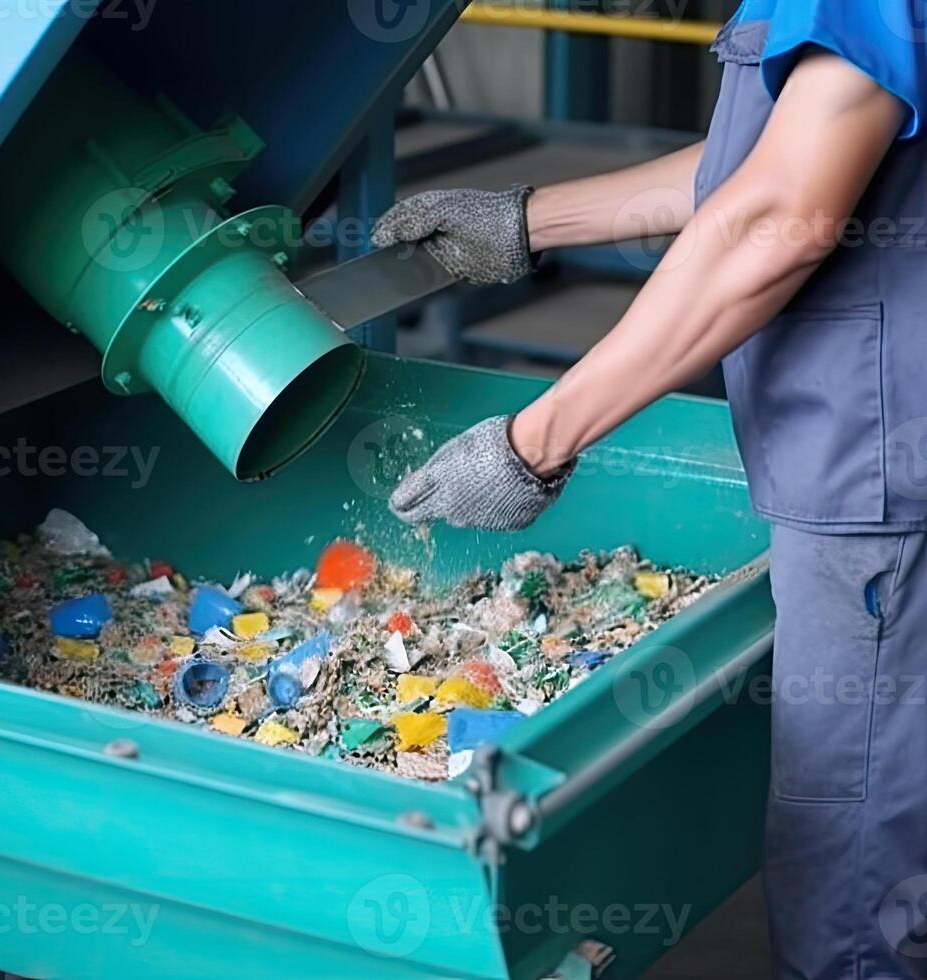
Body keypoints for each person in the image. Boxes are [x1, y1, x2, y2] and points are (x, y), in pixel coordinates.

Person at [373, 3, 927, 977]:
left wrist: (533, 439)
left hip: (877, 480)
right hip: (865, 460)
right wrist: (529, 217)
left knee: (848, 898)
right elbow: (757, 163)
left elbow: (781, 213)